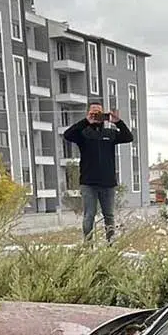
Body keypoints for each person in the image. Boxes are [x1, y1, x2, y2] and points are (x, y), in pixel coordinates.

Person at [62, 102, 133, 243]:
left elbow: (128, 137)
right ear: (88, 113)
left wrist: (117, 122)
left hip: (108, 183)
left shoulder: (110, 134)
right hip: (88, 183)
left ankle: (110, 244)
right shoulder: (83, 134)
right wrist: (86, 121)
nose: (96, 115)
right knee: (89, 215)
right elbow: (67, 135)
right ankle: (88, 245)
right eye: (93, 112)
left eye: (99, 113)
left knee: (109, 215)